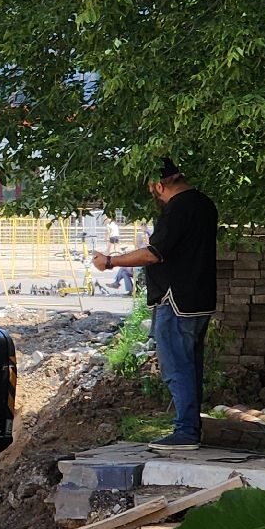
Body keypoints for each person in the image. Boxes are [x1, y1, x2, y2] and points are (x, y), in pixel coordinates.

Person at [92, 158, 218, 451]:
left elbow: (154, 253)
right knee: (191, 366)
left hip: (176, 300)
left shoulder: (178, 208)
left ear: (160, 185)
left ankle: (186, 431)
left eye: (154, 190)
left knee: (175, 365)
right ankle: (191, 426)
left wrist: (111, 262)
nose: (155, 196)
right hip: (200, 297)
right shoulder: (204, 204)